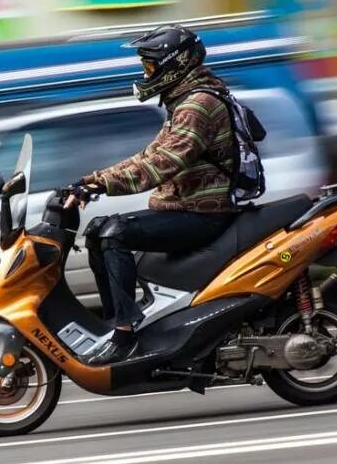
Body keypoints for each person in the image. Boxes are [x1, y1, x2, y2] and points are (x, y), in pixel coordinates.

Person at [65, 24, 238, 365]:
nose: (147, 73)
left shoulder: (198, 105)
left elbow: (161, 164)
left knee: (115, 234)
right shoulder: (185, 101)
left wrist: (103, 185)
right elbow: (148, 155)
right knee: (99, 229)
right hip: (186, 207)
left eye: (150, 65)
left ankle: (126, 334)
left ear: (177, 63)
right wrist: (91, 180)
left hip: (201, 213)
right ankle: (116, 323)